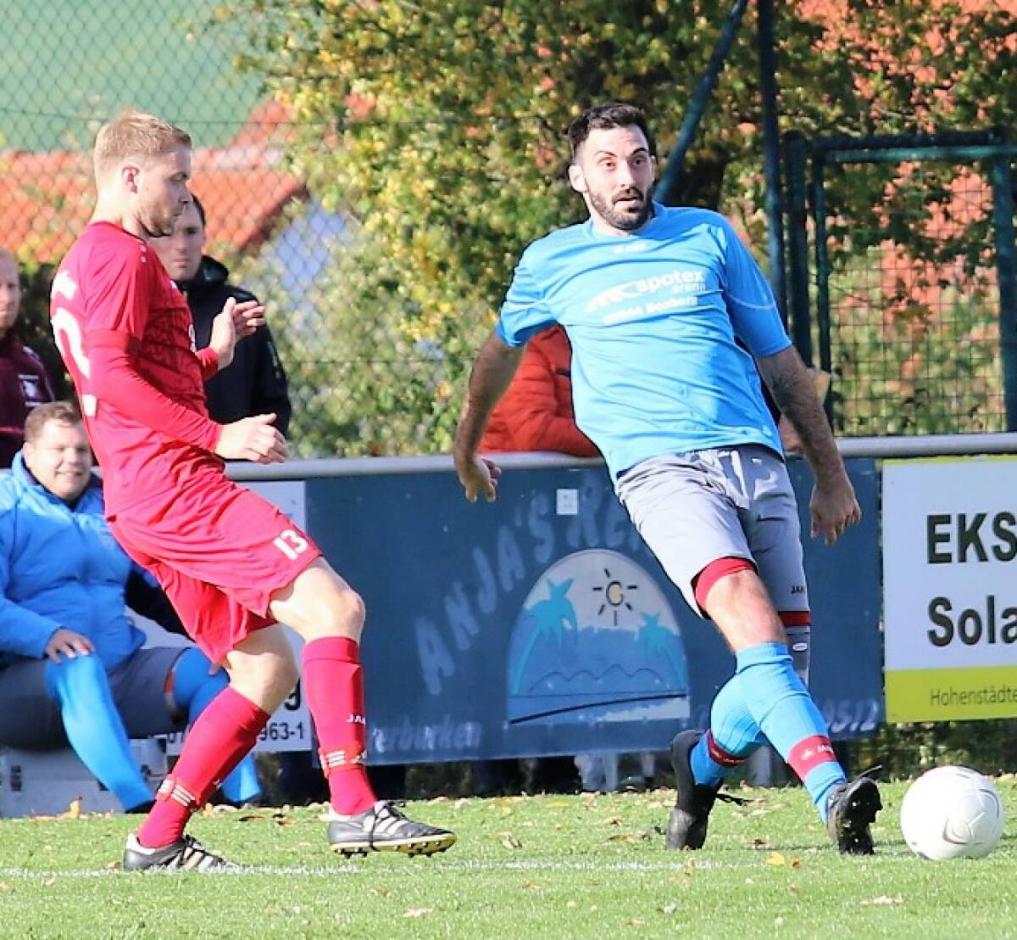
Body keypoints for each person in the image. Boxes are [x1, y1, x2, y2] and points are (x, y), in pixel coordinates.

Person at [453, 102, 881, 854]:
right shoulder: (552, 261)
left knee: (779, 674)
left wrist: (830, 474)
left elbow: (780, 360)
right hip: (661, 473)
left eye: (639, 158)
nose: (627, 175)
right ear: (576, 178)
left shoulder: (707, 235)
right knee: (748, 616)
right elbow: (498, 356)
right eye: (609, 163)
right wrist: (465, 444)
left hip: (755, 460)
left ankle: (698, 763)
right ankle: (831, 792)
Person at [51, 110, 453, 871]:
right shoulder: (118, 259)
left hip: (149, 494)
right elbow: (108, 383)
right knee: (336, 608)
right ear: (129, 175)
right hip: (175, 488)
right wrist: (217, 436)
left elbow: (127, 381)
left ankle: (158, 837)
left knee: (265, 669)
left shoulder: (94, 260)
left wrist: (211, 356)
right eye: (174, 177)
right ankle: (353, 807)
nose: (183, 193)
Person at [0, 401, 261, 811]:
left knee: (209, 669)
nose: (73, 461)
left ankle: (246, 804)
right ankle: (141, 809)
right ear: (30, 454)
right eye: (59, 450)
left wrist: (221, 636)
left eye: (82, 451)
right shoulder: (5, 506)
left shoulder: (110, 504)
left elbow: (159, 591)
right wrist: (45, 635)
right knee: (79, 663)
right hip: (23, 691)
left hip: (117, 677)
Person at [149, 195, 292, 433]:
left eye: (191, 232)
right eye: (170, 233)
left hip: (235, 462)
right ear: (150, 239)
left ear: (205, 235)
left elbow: (273, 401)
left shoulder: (240, 307)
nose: (181, 245)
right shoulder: (137, 305)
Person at [0, 249, 56, 468]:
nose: (7, 298)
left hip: (33, 488)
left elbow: (54, 428)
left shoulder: (30, 363)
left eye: (12, 287)